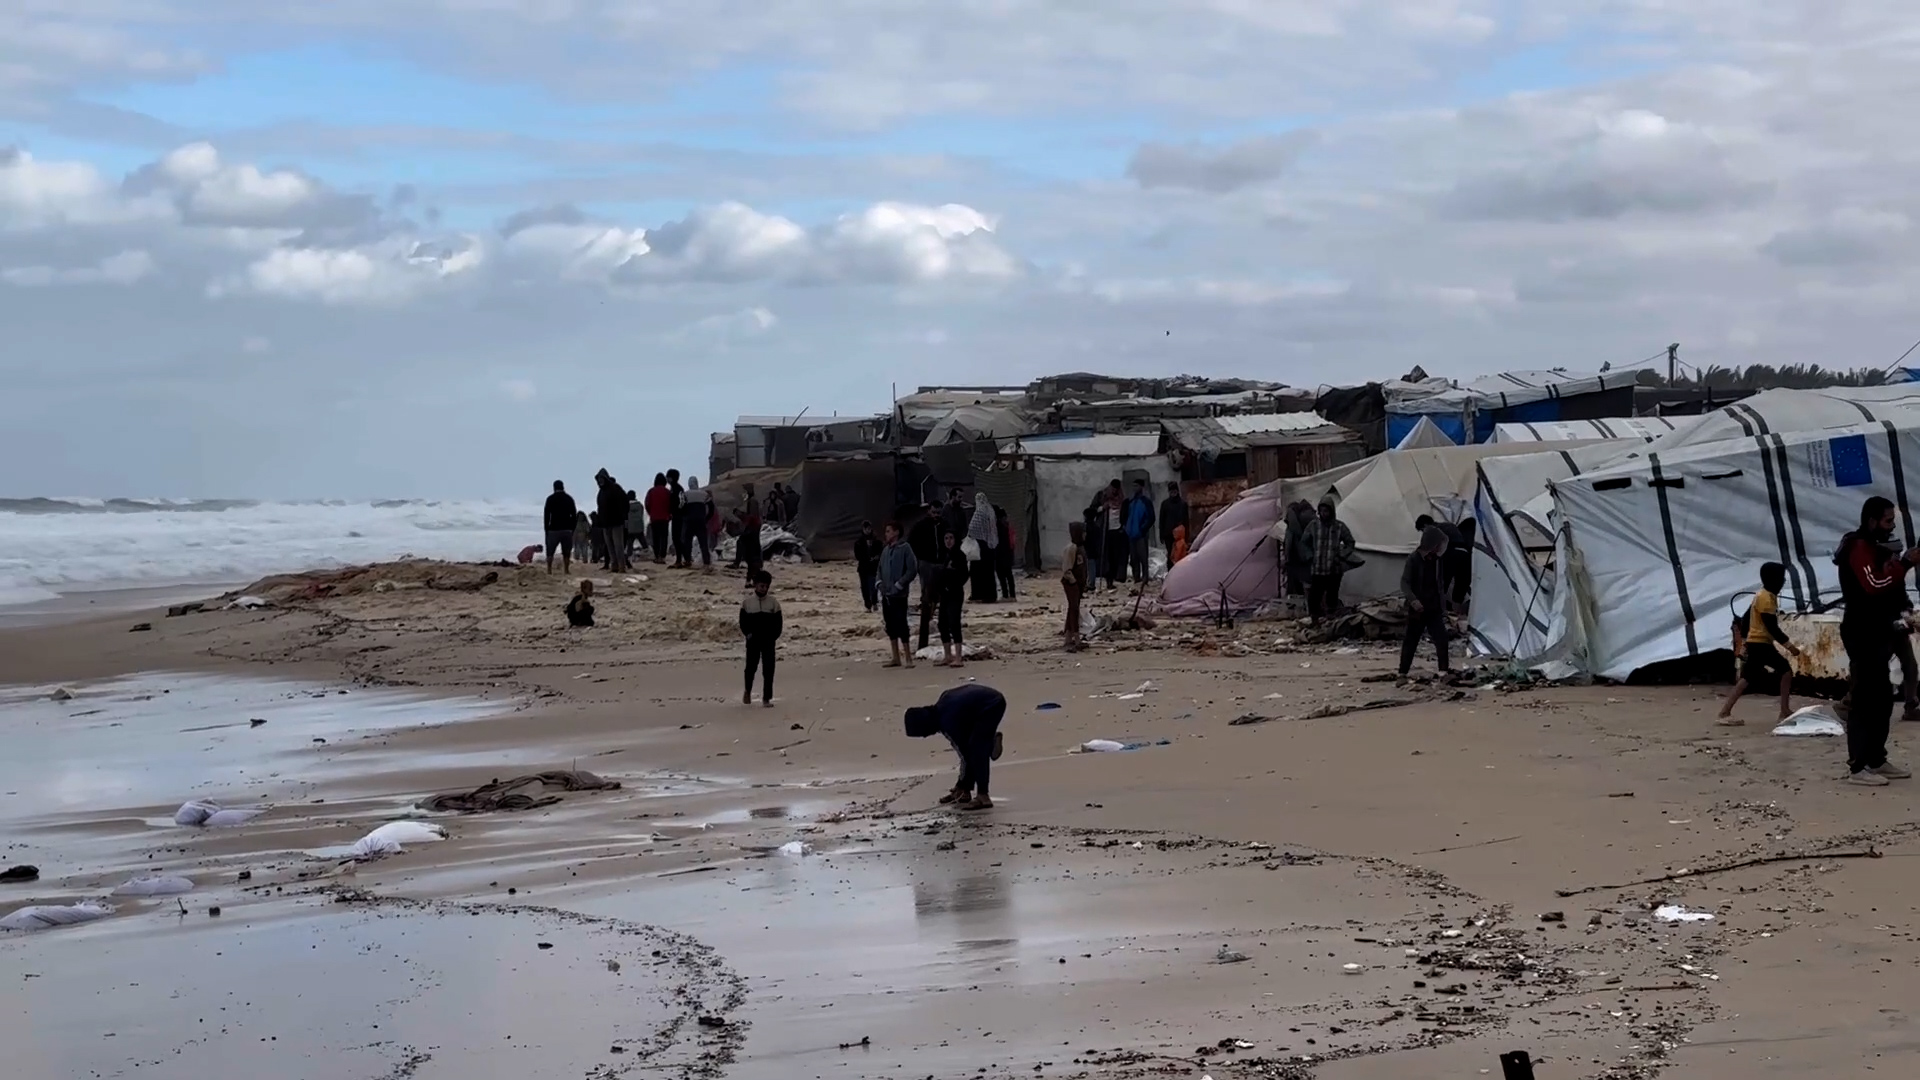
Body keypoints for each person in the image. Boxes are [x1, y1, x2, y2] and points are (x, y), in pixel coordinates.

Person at [1836, 496, 1920, 786]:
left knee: (1882, 699)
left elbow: (1892, 589)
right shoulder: (1858, 547)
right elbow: (1874, 585)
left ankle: (1876, 759)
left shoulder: (1877, 548)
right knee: (1864, 700)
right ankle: (1858, 767)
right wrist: (1905, 563)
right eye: (1887, 521)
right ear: (1872, 521)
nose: (1891, 526)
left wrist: (1904, 611)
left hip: (1880, 630)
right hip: (1862, 631)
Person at [1718, 562, 1802, 726]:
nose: (1783, 582)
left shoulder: (1761, 595)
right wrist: (1790, 647)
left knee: (1747, 678)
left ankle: (1725, 712)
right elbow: (1772, 627)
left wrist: (1744, 641)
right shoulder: (1766, 599)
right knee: (1785, 671)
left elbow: (1746, 618)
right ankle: (1784, 711)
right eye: (1782, 579)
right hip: (1761, 644)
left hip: (1756, 643)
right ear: (1774, 580)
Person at [904, 684, 1007, 811]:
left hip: (992, 705)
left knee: (977, 749)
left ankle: (983, 796)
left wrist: (961, 784)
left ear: (926, 727)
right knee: (973, 745)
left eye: (923, 734)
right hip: (981, 703)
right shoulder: (942, 706)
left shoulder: (948, 723)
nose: (925, 736)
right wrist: (962, 786)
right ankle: (965, 790)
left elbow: (965, 755)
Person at [1399, 526, 1451, 676]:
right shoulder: (1414, 559)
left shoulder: (1437, 561)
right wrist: (1413, 600)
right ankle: (1402, 673)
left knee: (1442, 639)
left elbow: (1439, 585)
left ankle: (1443, 673)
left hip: (1433, 607)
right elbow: (1405, 582)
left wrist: (1443, 608)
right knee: (1411, 641)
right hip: (1417, 609)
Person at [1303, 500, 1355, 622]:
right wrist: (1310, 556)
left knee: (1332, 595)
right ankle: (1314, 619)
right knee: (1315, 595)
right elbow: (1305, 541)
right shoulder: (1314, 526)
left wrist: (1342, 555)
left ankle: (1331, 619)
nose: (1323, 513)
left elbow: (1350, 543)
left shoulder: (1339, 527)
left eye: (1326, 511)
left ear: (1331, 511)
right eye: (1321, 511)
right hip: (1318, 568)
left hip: (1334, 568)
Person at [739, 569, 783, 706]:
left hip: (768, 641)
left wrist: (773, 637)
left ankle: (766, 698)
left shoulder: (773, 603)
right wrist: (748, 635)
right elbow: (743, 622)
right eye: (761, 586)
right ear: (755, 585)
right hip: (753, 641)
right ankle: (747, 691)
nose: (764, 589)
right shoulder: (747, 603)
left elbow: (778, 623)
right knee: (750, 668)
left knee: (769, 669)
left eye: (766, 586)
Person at [879, 521, 919, 668]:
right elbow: (879, 569)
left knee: (902, 624)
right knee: (890, 625)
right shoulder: (885, 550)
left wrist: (900, 584)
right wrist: (879, 583)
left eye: (888, 531)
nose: (886, 534)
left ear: (896, 532)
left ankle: (908, 657)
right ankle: (895, 656)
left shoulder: (905, 548)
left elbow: (912, 569)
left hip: (899, 595)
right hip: (886, 594)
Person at [1415, 514, 1470, 611]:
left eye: (1422, 530)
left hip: (1451, 554)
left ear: (1425, 525)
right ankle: (1457, 612)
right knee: (1461, 585)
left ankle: (1435, 611)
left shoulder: (1431, 530)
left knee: (1440, 584)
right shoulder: (1450, 526)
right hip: (1465, 554)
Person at [908, 504, 943, 649]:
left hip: (941, 562)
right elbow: (911, 542)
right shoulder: (920, 526)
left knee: (939, 591)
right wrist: (918, 557)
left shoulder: (944, 524)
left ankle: (933, 615)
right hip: (925, 562)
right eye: (934, 512)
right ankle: (927, 617)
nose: (936, 515)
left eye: (938, 512)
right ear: (929, 511)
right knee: (926, 591)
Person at [938, 527, 970, 667]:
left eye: (951, 538)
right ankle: (947, 655)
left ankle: (958, 657)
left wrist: (953, 585)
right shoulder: (944, 555)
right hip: (944, 594)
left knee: (954, 622)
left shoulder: (960, 555)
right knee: (942, 623)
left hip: (955, 593)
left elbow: (964, 575)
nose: (948, 541)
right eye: (946, 538)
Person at [966, 492, 998, 603]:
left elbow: (972, 528)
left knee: (977, 572)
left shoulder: (980, 511)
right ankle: (990, 595)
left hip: (980, 546)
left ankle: (978, 595)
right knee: (989, 573)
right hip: (990, 546)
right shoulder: (990, 511)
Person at [1062, 520, 1089, 649]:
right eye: (1083, 532)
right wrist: (1073, 581)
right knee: (1074, 610)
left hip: (1078, 584)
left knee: (1072, 609)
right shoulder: (1071, 548)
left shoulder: (1081, 548)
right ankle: (1076, 638)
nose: (1085, 535)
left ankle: (1068, 637)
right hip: (1071, 584)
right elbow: (1067, 569)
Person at [596, 470, 629, 573]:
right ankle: (614, 565)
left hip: (616, 522)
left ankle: (621, 566)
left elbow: (625, 503)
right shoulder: (601, 492)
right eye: (599, 480)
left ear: (606, 478)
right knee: (610, 546)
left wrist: (624, 517)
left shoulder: (616, 488)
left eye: (602, 479)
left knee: (618, 545)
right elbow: (600, 507)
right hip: (606, 523)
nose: (600, 481)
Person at [1124, 479, 1157, 584]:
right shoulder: (1131, 501)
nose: (1134, 488)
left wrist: (1143, 528)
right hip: (1131, 534)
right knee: (1134, 558)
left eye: (1136, 486)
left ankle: (1145, 578)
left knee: (1143, 557)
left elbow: (1151, 518)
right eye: (1133, 486)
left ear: (1141, 487)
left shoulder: (1146, 502)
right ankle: (1136, 577)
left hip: (1141, 534)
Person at [1282, 501, 1316, 600]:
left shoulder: (1292, 526)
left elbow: (1289, 544)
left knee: (1297, 589)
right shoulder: (1312, 521)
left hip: (1297, 561)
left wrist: (1286, 559)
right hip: (1310, 559)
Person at [543, 480, 577, 574]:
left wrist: (546, 529)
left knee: (550, 551)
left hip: (554, 529)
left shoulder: (550, 499)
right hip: (567, 529)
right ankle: (566, 569)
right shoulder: (569, 499)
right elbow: (574, 515)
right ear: (563, 487)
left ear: (554, 488)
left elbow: (547, 515)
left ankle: (549, 569)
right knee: (566, 551)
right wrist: (572, 528)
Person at [680, 477, 713, 570]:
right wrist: (707, 518)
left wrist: (684, 518)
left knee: (688, 542)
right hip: (701, 521)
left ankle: (687, 560)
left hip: (689, 521)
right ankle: (706, 562)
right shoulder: (704, 494)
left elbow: (681, 508)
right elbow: (711, 508)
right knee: (703, 543)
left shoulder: (685, 494)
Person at [1099, 481, 1127, 590]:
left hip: (1118, 531)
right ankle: (1108, 580)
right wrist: (1102, 508)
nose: (1115, 491)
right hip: (1106, 531)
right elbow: (1093, 509)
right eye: (1113, 489)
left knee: (1116, 557)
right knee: (1107, 557)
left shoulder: (1122, 500)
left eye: (1117, 489)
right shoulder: (1103, 496)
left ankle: (1116, 577)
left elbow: (1125, 514)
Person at [734, 483, 764, 578]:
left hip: (752, 526)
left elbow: (752, 516)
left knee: (744, 543)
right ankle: (758, 564)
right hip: (753, 525)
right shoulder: (752, 500)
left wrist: (741, 517)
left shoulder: (752, 501)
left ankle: (738, 563)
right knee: (753, 544)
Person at [853, 520, 883, 612]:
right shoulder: (859, 542)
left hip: (873, 567)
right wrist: (866, 558)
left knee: (873, 586)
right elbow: (857, 555)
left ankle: (874, 602)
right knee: (864, 587)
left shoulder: (876, 541)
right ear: (863, 529)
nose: (868, 530)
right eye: (866, 529)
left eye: (869, 528)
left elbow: (880, 552)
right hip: (863, 567)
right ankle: (868, 605)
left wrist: (875, 558)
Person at [645, 474, 672, 563]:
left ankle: (657, 556)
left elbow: (647, 504)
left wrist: (651, 513)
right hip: (665, 518)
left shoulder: (651, 491)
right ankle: (662, 556)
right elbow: (671, 505)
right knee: (664, 537)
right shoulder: (667, 492)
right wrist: (669, 514)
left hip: (654, 518)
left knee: (655, 538)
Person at [1159, 482, 1189, 561]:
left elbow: (1186, 521)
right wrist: (1161, 535)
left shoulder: (1183, 504)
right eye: (1171, 491)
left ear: (1177, 491)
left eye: (1174, 491)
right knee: (1170, 555)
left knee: (1180, 555)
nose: (1173, 493)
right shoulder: (1165, 504)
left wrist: (1187, 536)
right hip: (1168, 534)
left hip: (1180, 535)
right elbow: (1162, 520)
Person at [993, 505, 1017, 601]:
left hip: (1000, 555)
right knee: (1009, 575)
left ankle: (1005, 595)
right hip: (1008, 554)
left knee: (1002, 576)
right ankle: (1012, 595)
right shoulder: (1007, 526)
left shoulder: (998, 527)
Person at [625, 489, 646, 562]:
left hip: (630, 528)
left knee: (630, 543)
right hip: (639, 526)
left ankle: (629, 556)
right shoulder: (640, 505)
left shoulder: (626, 506)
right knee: (643, 542)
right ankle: (647, 553)